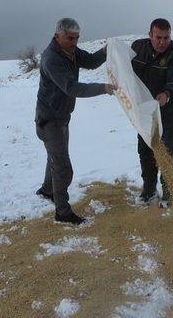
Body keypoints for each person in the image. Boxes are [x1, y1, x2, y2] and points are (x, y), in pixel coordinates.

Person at [35, 18, 116, 224]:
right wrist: (103, 88)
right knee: (63, 168)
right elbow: (71, 87)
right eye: (70, 38)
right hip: (49, 119)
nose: (74, 42)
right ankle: (62, 212)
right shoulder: (51, 58)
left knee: (55, 156)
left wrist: (106, 51)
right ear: (57, 36)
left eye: (77, 38)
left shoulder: (71, 51)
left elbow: (89, 61)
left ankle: (47, 190)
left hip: (62, 116)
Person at [131, 18, 173, 205]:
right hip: (145, 110)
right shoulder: (138, 48)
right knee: (146, 148)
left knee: (170, 150)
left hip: (169, 109)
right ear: (150, 36)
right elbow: (124, 67)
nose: (162, 42)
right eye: (158, 37)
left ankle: (170, 191)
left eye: (166, 37)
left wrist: (166, 94)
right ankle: (149, 188)